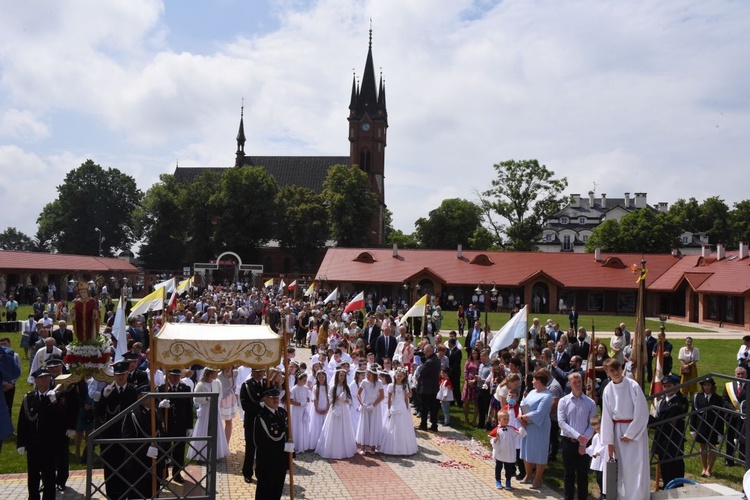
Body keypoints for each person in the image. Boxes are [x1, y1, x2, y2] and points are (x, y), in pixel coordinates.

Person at [600, 359, 650, 500]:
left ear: (622, 368)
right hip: (617, 431)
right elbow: (607, 417)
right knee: (621, 468)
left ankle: (637, 497)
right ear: (607, 372)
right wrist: (609, 442)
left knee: (635, 466)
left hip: (634, 433)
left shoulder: (632, 385)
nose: (616, 373)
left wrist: (631, 433)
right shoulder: (608, 389)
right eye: (612, 370)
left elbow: (642, 412)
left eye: (618, 369)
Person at [17, 368, 63, 500]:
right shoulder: (29, 398)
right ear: (36, 380)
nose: (44, 380)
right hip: (33, 444)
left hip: (49, 444)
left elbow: (61, 418)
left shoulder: (56, 396)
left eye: (47, 377)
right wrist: (21, 443)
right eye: (41, 378)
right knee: (33, 476)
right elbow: (23, 422)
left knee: (49, 476)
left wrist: (54, 402)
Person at [96, 361, 137, 500]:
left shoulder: (132, 391)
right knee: (111, 471)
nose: (120, 377)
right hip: (111, 437)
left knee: (127, 470)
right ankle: (112, 496)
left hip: (127, 437)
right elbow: (99, 413)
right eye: (118, 374)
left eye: (123, 374)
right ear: (114, 375)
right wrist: (104, 398)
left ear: (127, 374)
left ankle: (125, 495)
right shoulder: (108, 391)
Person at [558, 372, 596, 500]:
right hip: (568, 442)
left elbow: (593, 423)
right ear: (570, 384)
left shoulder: (590, 403)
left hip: (585, 443)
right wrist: (578, 436)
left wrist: (583, 441)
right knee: (568, 474)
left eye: (579, 381)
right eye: (575, 382)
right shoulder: (563, 401)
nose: (578, 384)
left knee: (583, 475)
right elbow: (561, 422)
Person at [649, 374, 688, 489]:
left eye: (669, 386)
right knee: (664, 465)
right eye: (664, 386)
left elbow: (668, 423)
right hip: (662, 439)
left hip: (673, 439)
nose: (666, 389)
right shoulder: (663, 401)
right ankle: (667, 485)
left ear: (677, 386)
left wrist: (649, 420)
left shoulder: (680, 401)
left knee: (674, 466)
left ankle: (676, 487)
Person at [518, 368, 554, 489]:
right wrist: (520, 415)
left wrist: (524, 417)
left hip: (540, 427)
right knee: (527, 450)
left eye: (533, 379)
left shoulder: (547, 396)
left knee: (539, 452)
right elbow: (523, 403)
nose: (532, 382)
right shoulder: (532, 392)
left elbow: (540, 413)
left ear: (539, 381)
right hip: (527, 425)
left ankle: (538, 479)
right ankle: (528, 475)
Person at [253, 388, 291, 500]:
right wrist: (281, 448)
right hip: (267, 461)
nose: (276, 400)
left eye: (277, 397)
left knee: (277, 489)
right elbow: (258, 442)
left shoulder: (282, 413)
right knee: (265, 491)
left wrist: (289, 453)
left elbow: (287, 434)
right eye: (272, 398)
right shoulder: (261, 417)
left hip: (281, 460)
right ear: (265, 399)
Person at [157, 368, 194, 484]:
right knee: (164, 450)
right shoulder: (162, 389)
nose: (175, 378)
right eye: (173, 376)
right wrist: (160, 405)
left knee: (179, 450)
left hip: (180, 425)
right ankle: (164, 474)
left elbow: (189, 409)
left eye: (177, 376)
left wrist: (189, 426)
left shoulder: (185, 389)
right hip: (166, 426)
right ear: (168, 376)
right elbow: (155, 409)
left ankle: (177, 474)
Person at [188, 368, 229, 462]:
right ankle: (201, 455)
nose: (217, 374)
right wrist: (206, 399)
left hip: (215, 409)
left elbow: (221, 395)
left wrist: (215, 399)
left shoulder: (217, 383)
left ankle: (215, 454)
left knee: (215, 430)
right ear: (210, 373)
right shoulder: (201, 384)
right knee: (204, 430)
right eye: (215, 372)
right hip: (205, 410)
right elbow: (196, 399)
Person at [315, 368, 357, 459]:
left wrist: (345, 400)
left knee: (344, 427)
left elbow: (350, 400)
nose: (342, 377)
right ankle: (332, 448)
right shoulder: (333, 387)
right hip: (335, 408)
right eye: (341, 375)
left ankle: (344, 449)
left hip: (344, 409)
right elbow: (330, 399)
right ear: (337, 376)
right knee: (334, 427)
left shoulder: (346, 387)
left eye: (343, 376)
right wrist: (337, 398)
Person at [380, 367, 418, 455]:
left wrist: (407, 408)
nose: (399, 377)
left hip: (402, 407)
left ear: (404, 377)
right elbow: (389, 399)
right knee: (392, 425)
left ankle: (402, 447)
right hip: (394, 405)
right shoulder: (391, 386)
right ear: (395, 376)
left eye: (401, 376)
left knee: (402, 425)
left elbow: (407, 397)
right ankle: (391, 445)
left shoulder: (404, 386)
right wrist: (389, 409)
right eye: (398, 376)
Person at [691, 377, 723, 478]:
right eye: (704, 385)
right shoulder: (698, 397)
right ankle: (704, 468)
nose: (706, 387)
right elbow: (693, 413)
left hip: (713, 426)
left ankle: (709, 469)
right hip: (701, 426)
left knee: (712, 447)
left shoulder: (717, 398)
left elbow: (721, 416)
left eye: (708, 385)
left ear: (712, 386)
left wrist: (720, 432)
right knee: (702, 447)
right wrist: (693, 428)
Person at [240, 367, 265, 483]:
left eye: (262, 371)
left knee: (262, 448)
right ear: (252, 372)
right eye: (258, 371)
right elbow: (245, 405)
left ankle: (260, 472)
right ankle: (247, 473)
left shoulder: (266, 383)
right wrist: (259, 406)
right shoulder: (246, 385)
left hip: (263, 422)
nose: (260, 374)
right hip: (251, 421)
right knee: (250, 448)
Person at [490, 409, 526, 490]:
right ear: (499, 420)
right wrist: (495, 440)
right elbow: (492, 439)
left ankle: (508, 481)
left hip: (508, 452)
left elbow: (519, 435)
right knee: (498, 467)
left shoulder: (511, 429)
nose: (506, 421)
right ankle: (498, 480)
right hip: (500, 452)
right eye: (504, 419)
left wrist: (522, 428)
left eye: (507, 419)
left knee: (508, 468)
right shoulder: (497, 430)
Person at [356, 366, 385, 454]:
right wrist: (362, 404)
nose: (367, 377)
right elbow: (358, 394)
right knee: (365, 425)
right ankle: (363, 447)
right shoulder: (364, 382)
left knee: (373, 425)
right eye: (367, 375)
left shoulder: (379, 383)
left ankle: (373, 446)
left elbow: (382, 396)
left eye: (369, 375)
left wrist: (373, 405)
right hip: (366, 404)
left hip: (375, 406)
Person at [722, 366, 747, 466]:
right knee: (730, 437)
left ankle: (743, 458)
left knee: (744, 438)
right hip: (732, 416)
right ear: (734, 375)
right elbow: (724, 400)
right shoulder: (729, 386)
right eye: (738, 374)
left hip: (745, 417)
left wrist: (742, 411)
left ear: (746, 375)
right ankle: (729, 459)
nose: (740, 376)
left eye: (742, 374)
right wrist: (733, 410)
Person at [417, 343, 441, 432]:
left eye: (426, 351)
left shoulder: (429, 362)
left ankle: (423, 424)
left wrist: (422, 366)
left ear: (430, 351)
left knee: (424, 408)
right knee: (433, 408)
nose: (424, 353)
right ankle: (434, 424)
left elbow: (422, 372)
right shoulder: (437, 359)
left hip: (426, 388)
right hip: (434, 388)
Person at [585, 415, 607, 500]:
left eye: (598, 428)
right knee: (598, 478)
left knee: (603, 478)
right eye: (595, 429)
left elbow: (606, 446)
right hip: (598, 461)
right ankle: (602, 493)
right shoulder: (596, 436)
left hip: (604, 460)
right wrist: (586, 450)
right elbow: (593, 447)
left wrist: (599, 452)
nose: (597, 431)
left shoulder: (605, 435)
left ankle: (605, 494)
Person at [289, 372, 311, 452]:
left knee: (303, 425)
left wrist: (307, 401)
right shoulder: (294, 389)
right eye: (303, 380)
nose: (305, 382)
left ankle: (303, 445)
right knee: (297, 426)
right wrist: (300, 404)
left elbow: (308, 397)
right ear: (298, 380)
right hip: (297, 410)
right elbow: (291, 401)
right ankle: (297, 445)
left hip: (304, 409)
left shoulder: (306, 388)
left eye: (305, 380)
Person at [308, 370, 329, 451]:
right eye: (319, 377)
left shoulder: (328, 387)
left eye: (322, 377)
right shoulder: (315, 387)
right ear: (317, 378)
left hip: (325, 407)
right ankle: (315, 443)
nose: (321, 378)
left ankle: (323, 444)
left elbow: (329, 398)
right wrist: (317, 409)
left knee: (324, 424)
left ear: (325, 377)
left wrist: (327, 408)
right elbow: (315, 399)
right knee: (316, 425)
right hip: (317, 407)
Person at [218, 366, 240, 443]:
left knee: (229, 421)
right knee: (218, 421)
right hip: (222, 399)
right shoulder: (219, 376)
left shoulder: (236, 373)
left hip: (231, 399)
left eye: (228, 367)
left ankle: (226, 443)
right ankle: (219, 443)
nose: (227, 368)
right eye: (225, 367)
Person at [462, 348, 481, 425]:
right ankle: (466, 418)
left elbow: (481, 373)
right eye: (473, 353)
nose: (474, 355)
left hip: (476, 383)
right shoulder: (468, 361)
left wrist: (474, 381)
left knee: (476, 402)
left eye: (476, 353)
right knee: (466, 402)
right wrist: (468, 380)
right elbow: (465, 371)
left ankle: (474, 420)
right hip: (468, 383)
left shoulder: (480, 362)